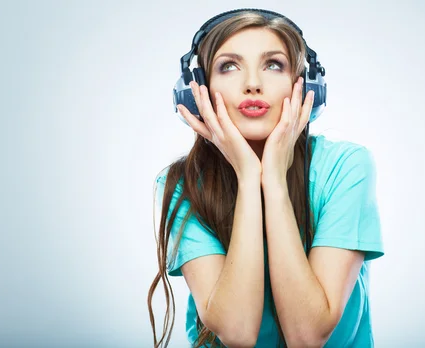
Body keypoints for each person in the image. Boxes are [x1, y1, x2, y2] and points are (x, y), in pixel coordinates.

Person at [148, 9, 384, 348]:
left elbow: (307, 336)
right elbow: (238, 332)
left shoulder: (345, 166)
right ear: (197, 90)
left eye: (273, 64)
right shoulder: (183, 185)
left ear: (304, 86)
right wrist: (248, 174)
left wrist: (272, 179)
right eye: (228, 66)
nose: (252, 84)